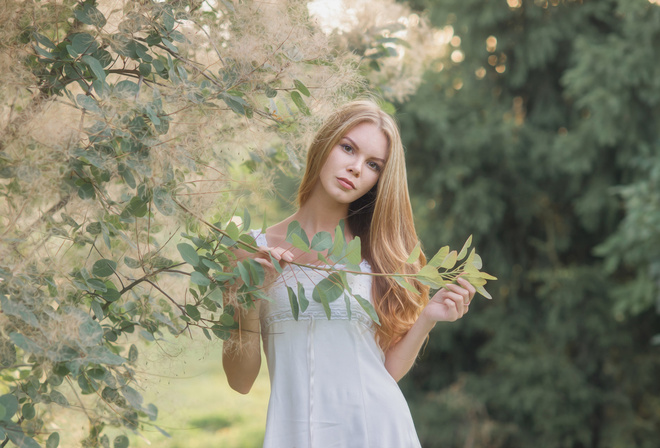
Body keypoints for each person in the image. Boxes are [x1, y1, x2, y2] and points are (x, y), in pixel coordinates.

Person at [222, 99, 475, 447]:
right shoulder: (249, 251)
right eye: (348, 148)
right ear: (325, 144)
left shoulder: (378, 259)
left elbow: (383, 372)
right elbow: (240, 381)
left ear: (378, 179)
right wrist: (250, 295)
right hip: (294, 435)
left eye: (372, 164)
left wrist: (428, 317)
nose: (356, 168)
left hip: (377, 432)